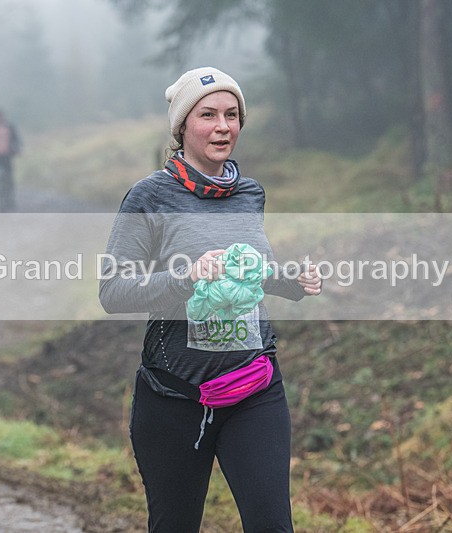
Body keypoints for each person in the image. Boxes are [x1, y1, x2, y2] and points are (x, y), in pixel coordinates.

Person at [99, 67, 321, 533]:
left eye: (232, 114)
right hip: (174, 397)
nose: (223, 126)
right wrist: (186, 276)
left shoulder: (249, 193)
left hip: (255, 389)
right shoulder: (149, 196)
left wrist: (290, 281)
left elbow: (249, 274)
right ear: (182, 127)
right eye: (209, 115)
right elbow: (113, 291)